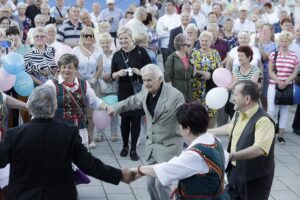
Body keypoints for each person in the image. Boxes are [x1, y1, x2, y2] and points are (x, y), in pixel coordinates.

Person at [0, 85, 135, 199]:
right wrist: (120, 175)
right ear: (54, 107)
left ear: (29, 107)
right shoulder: (68, 132)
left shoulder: (14, 135)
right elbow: (89, 165)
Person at [108, 64, 185, 200]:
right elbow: (134, 100)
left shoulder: (175, 96)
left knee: (161, 185)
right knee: (150, 185)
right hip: (152, 147)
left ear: (160, 78)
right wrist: (115, 107)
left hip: (169, 147)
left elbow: (184, 117)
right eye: (143, 80)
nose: (145, 84)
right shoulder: (145, 90)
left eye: (149, 80)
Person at [131, 102, 229, 200]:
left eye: (180, 125)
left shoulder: (195, 154)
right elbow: (225, 159)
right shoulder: (214, 140)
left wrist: (138, 170)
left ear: (187, 129)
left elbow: (165, 169)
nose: (179, 128)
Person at [209, 80, 275, 200]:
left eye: (236, 94)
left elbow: (259, 149)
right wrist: (206, 132)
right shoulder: (239, 113)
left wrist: (231, 156)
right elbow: (230, 128)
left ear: (247, 99)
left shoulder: (264, 120)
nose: (232, 98)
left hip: (255, 177)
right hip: (235, 172)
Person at [111, 27, 151, 161]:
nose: (123, 41)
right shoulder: (117, 55)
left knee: (135, 120)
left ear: (131, 38)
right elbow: (113, 74)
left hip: (138, 89)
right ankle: (125, 146)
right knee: (124, 120)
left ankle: (133, 148)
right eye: (120, 38)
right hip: (123, 89)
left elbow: (150, 70)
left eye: (125, 38)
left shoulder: (140, 51)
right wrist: (117, 74)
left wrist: (139, 72)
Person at [268, 31, 298, 144]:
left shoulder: (294, 55)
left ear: (290, 42)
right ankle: (269, 133)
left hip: (288, 86)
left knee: (284, 110)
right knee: (271, 110)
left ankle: (281, 135)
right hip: (273, 85)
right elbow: (270, 71)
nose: (283, 43)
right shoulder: (274, 54)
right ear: (278, 41)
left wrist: (287, 81)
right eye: (281, 41)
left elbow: (295, 71)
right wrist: (278, 81)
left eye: (286, 41)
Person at [191, 31, 221, 128]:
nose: (204, 43)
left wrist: (211, 74)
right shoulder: (195, 53)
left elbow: (219, 69)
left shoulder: (215, 53)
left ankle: (211, 133)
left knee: (212, 110)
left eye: (206, 41)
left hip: (211, 86)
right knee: (198, 112)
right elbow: (192, 70)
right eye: (202, 40)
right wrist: (203, 73)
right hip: (197, 87)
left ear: (211, 42)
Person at [226, 46, 260, 118]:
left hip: (248, 102)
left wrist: (238, 87)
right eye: (238, 56)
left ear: (248, 57)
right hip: (235, 101)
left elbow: (250, 86)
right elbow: (235, 83)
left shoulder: (255, 70)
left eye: (242, 56)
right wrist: (227, 89)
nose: (239, 58)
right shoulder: (236, 68)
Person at [96, 33, 118, 142]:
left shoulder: (116, 54)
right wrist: (101, 75)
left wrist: (112, 76)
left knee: (114, 110)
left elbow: (118, 67)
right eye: (103, 43)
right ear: (100, 44)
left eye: (107, 42)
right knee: (102, 109)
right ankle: (99, 133)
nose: (105, 44)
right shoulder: (98, 55)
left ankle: (114, 133)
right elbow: (95, 70)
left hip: (114, 85)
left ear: (111, 43)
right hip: (102, 86)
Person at [164, 33, 193, 102]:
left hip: (189, 89)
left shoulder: (189, 57)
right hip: (177, 88)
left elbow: (193, 74)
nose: (189, 47)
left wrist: (193, 65)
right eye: (188, 45)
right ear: (181, 46)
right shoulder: (172, 58)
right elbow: (167, 77)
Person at [156, 0, 180, 67]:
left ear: (174, 6)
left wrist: (166, 29)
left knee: (177, 66)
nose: (167, 7)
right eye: (166, 5)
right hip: (165, 46)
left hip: (177, 46)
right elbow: (160, 33)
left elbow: (179, 32)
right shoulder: (161, 19)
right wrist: (172, 31)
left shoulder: (178, 18)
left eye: (169, 5)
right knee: (167, 66)